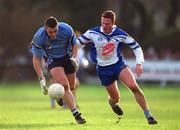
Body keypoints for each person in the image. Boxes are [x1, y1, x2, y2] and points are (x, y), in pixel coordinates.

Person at [77, 10, 157, 125]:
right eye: (103, 23)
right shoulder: (92, 32)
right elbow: (77, 44)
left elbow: (136, 47)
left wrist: (139, 63)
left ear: (113, 23)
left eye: (107, 23)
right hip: (103, 70)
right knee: (115, 98)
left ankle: (148, 115)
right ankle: (112, 103)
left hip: (118, 65)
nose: (104, 26)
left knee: (134, 86)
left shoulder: (120, 34)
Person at [31, 16, 86, 124]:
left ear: (58, 27)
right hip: (53, 60)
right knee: (64, 85)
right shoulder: (39, 37)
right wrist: (41, 77)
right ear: (45, 28)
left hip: (67, 58)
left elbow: (74, 43)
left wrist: (74, 58)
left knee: (71, 87)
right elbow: (36, 59)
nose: (54, 34)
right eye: (50, 32)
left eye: (55, 31)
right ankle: (77, 115)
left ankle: (58, 95)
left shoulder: (66, 29)